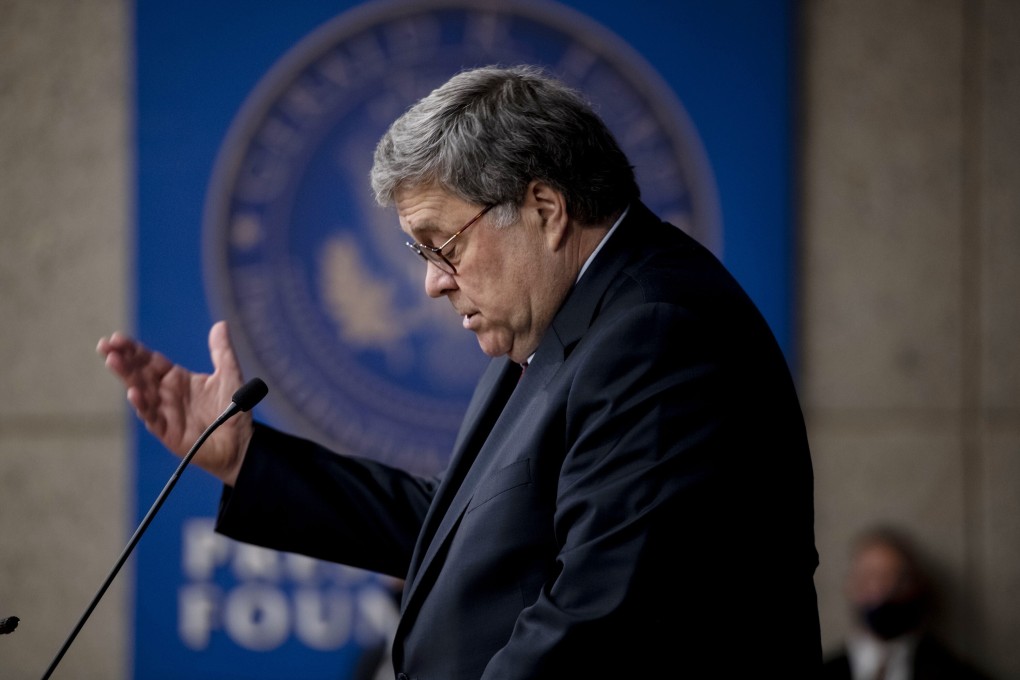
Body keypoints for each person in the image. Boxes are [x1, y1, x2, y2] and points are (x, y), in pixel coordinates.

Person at [99, 64, 821, 678]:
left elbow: (597, 624)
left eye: (442, 245)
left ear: (544, 207)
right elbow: (464, 525)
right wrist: (247, 459)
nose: (433, 284)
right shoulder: (573, 320)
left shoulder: (658, 335)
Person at [822, 526, 991, 680]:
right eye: (869, 577)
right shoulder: (830, 670)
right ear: (850, 585)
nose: (881, 591)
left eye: (894, 579)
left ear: (915, 587)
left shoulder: (955, 672)